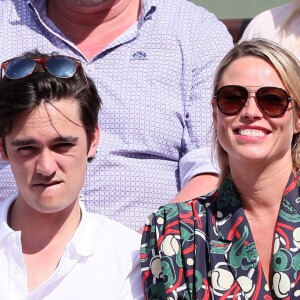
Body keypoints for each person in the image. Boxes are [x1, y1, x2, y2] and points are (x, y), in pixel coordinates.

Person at [0, 0, 233, 231]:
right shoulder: (5, 24)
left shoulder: (194, 30)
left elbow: (213, 165)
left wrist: (145, 250)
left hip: (154, 256)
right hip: (13, 254)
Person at [140, 38, 300, 299]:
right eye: (232, 98)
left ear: (297, 119)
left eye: (272, 100)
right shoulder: (172, 230)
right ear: (215, 114)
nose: (250, 112)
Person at [0, 51, 143, 299]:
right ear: (2, 148)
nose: (46, 167)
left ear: (93, 140)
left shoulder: (129, 258)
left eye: (63, 145)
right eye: (27, 148)